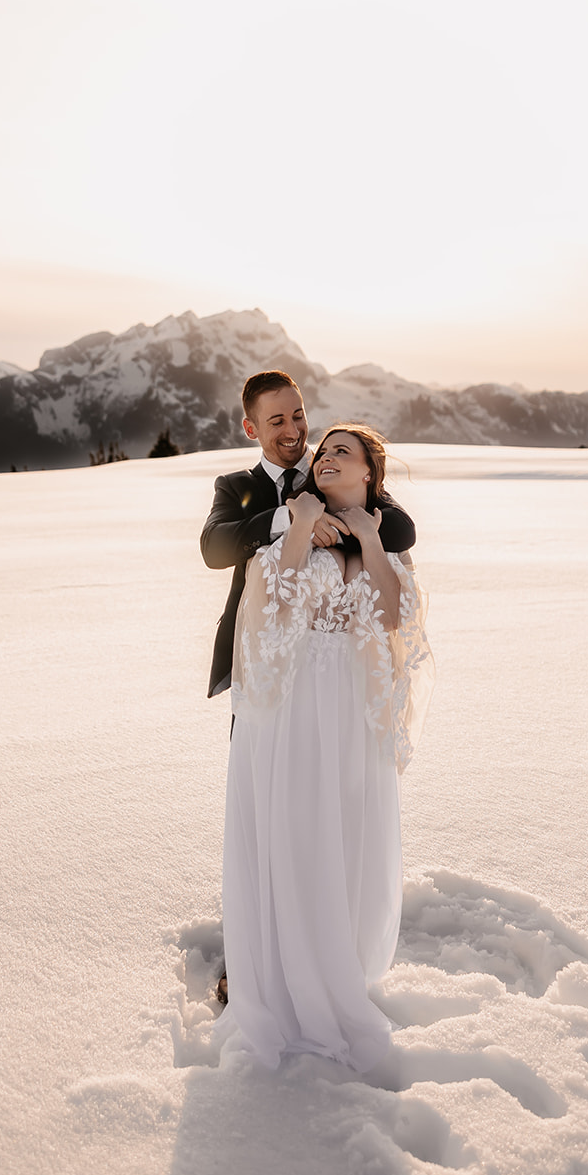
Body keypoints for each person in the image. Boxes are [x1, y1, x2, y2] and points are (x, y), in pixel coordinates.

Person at [217, 422, 433, 1073]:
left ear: (370, 473)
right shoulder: (293, 524)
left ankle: (335, 968)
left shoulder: (379, 536)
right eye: (325, 451)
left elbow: (393, 616)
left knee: (339, 837)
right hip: (289, 709)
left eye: (345, 451)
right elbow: (273, 606)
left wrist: (367, 538)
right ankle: (277, 983)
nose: (327, 457)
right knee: (291, 832)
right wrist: (296, 529)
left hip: (348, 710)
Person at [200, 371, 416, 701]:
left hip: (338, 668)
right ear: (250, 429)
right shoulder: (235, 486)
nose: (293, 431)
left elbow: (400, 527)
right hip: (259, 657)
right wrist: (290, 520)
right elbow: (214, 548)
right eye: (277, 422)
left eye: (298, 416)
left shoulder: (334, 469)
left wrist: (331, 527)